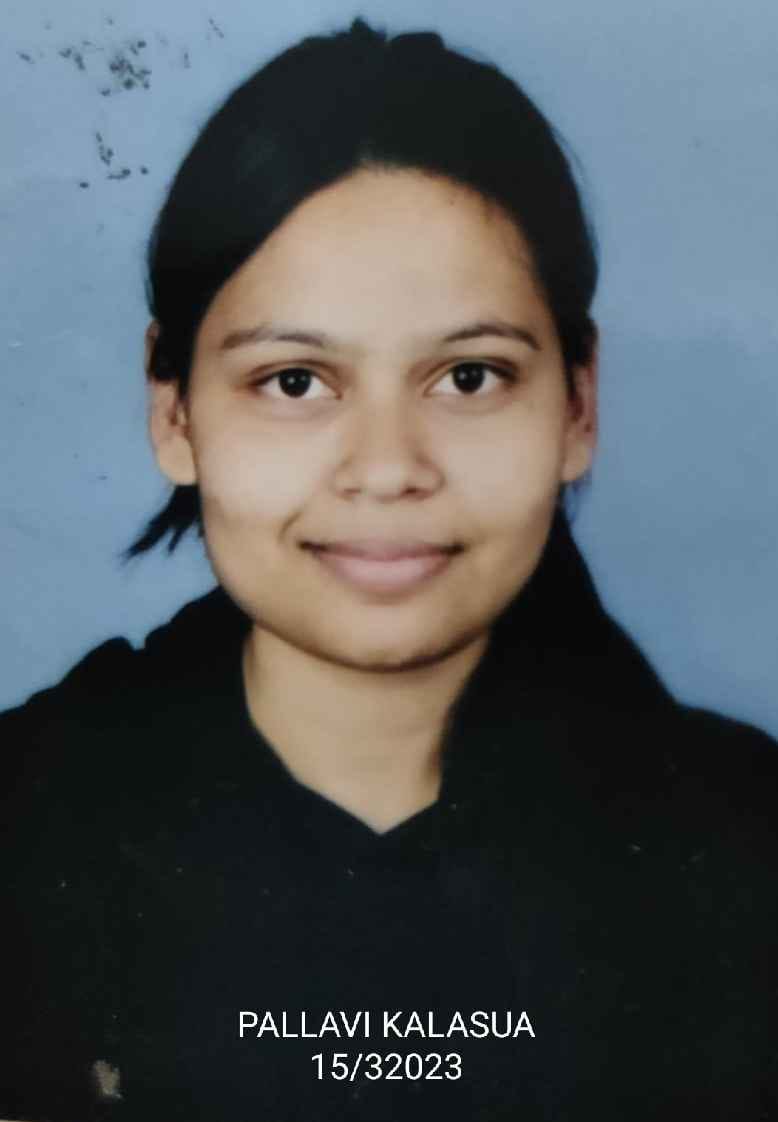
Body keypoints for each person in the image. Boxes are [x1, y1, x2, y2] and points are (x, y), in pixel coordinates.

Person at [1, 16, 776, 1122]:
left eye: (468, 377)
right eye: (295, 382)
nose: (386, 469)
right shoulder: (25, 825)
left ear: (579, 403)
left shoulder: (745, 851)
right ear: (173, 410)